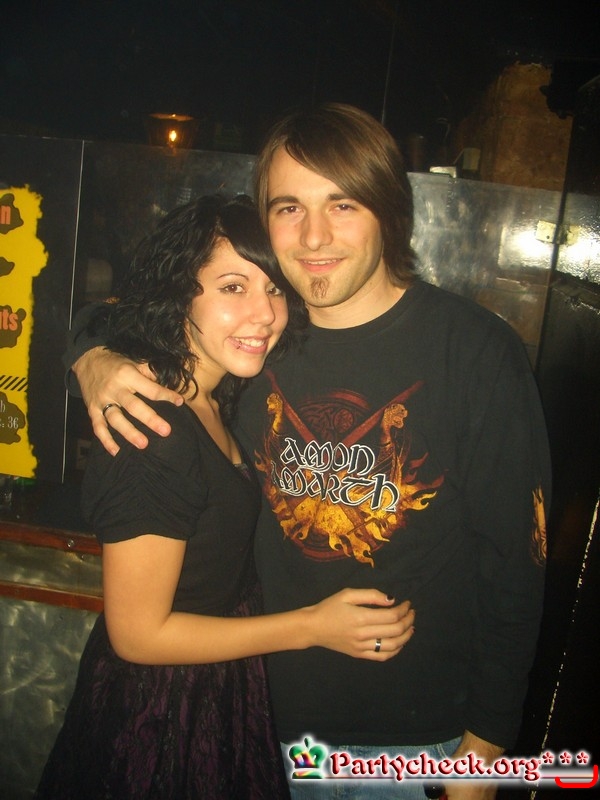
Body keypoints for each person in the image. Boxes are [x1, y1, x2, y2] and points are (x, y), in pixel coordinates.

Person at [66, 105, 551, 800]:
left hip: (416, 740)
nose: (314, 235)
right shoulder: (261, 341)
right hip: (255, 722)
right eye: (289, 207)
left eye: (342, 204)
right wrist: (91, 355)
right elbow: (142, 312)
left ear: (389, 211)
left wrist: (485, 748)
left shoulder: (473, 352)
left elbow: (516, 564)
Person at [39, 193, 415, 800]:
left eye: (274, 290)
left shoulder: (218, 397)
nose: (263, 314)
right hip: (159, 717)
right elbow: (137, 635)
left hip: (215, 689)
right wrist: (313, 626)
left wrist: (90, 352)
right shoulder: (153, 431)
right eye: (233, 287)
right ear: (179, 294)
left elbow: (97, 321)